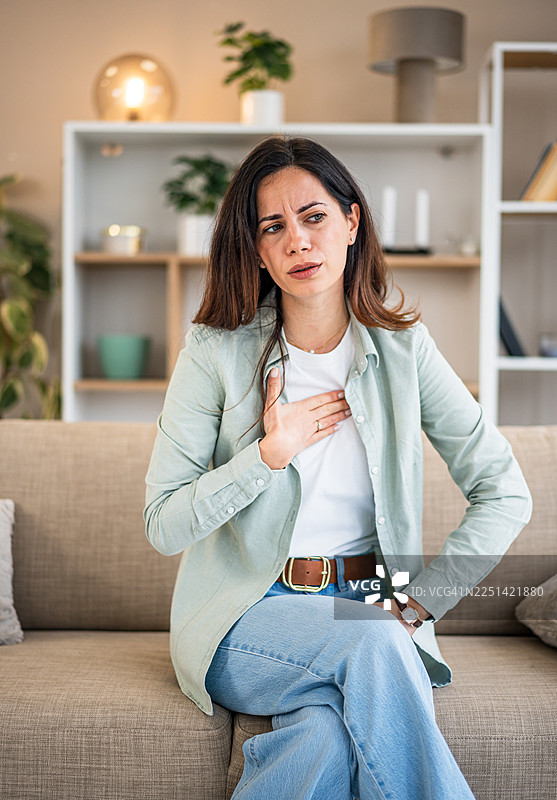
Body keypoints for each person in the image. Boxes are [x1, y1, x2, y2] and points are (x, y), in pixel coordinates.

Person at [144, 136, 532, 800]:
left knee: (320, 737)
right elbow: (164, 525)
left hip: (368, 603)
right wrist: (266, 457)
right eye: (274, 227)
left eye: (313, 215)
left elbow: (503, 491)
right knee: (374, 645)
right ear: (259, 251)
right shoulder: (215, 352)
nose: (297, 239)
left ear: (351, 223)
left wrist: (419, 603)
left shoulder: (403, 349)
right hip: (249, 610)